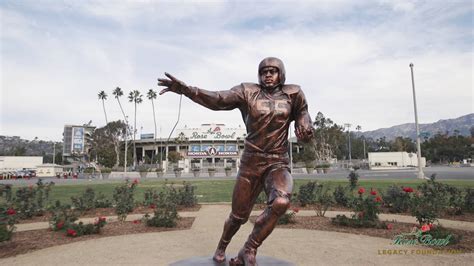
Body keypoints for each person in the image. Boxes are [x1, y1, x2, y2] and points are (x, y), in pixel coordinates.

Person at [158, 57, 313, 265]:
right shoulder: (247, 91)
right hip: (251, 163)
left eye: (273, 71)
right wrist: (188, 90)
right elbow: (219, 99)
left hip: (277, 163)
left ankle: (249, 247)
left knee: (281, 201)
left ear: (281, 74)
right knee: (238, 216)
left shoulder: (294, 94)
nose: (268, 74)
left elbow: (303, 113)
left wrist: (305, 124)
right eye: (264, 71)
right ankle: (222, 244)